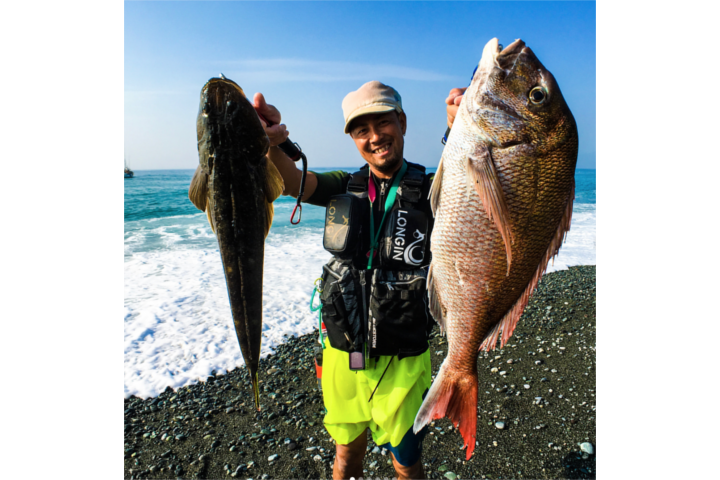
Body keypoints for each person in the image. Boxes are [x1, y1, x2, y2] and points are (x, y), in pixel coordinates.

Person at [253, 81, 464, 480]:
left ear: (401, 122)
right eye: (361, 130)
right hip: (342, 353)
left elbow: (466, 181)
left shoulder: (432, 189)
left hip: (404, 358)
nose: (374, 137)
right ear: (352, 137)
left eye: (383, 123)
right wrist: (272, 141)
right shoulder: (342, 184)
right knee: (346, 458)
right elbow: (294, 182)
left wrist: (457, 128)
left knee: (406, 464)